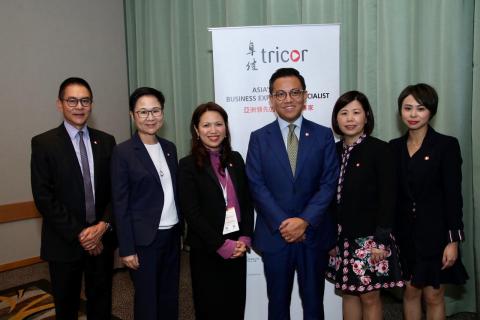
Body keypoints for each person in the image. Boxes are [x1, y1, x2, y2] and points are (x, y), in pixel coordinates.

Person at [246, 67, 338, 320]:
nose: (288, 99)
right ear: (271, 99)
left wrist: (304, 221)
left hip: (313, 234)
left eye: (294, 92)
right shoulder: (258, 138)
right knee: (277, 303)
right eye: (281, 94)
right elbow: (256, 184)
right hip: (276, 236)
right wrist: (284, 224)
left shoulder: (323, 135)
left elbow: (329, 182)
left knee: (313, 303)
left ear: (305, 96)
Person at [31, 77, 116, 319]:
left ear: (91, 104)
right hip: (65, 242)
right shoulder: (43, 143)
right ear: (59, 104)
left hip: (101, 240)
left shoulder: (106, 141)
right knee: (66, 306)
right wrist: (82, 234)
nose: (79, 106)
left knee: (102, 301)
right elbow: (44, 197)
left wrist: (103, 226)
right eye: (72, 100)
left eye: (85, 101)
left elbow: (116, 191)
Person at [390, 83, 468, 319]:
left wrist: (453, 240)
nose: (413, 115)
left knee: (434, 296)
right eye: (407, 108)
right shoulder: (393, 148)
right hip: (404, 235)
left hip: (436, 234)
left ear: (431, 111)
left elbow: (453, 195)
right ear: (400, 111)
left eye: (420, 108)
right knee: (410, 293)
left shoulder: (446, 146)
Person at [325, 91, 404, 319]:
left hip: (370, 239)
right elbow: (327, 199)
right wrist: (330, 237)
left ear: (366, 117)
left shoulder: (380, 150)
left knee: (370, 296)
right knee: (348, 293)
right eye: (344, 113)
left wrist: (381, 240)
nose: (350, 119)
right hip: (340, 239)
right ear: (336, 119)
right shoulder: (333, 151)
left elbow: (388, 198)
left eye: (356, 112)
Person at [178, 102, 254, 320]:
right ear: (196, 130)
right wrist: (221, 244)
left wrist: (245, 237)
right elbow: (191, 213)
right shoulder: (188, 165)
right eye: (206, 125)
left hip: (237, 246)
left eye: (218, 124)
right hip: (208, 248)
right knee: (210, 308)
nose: (213, 131)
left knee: (235, 306)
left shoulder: (236, 159)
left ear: (226, 127)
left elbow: (247, 202)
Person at [111, 87, 180, 320]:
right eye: (143, 112)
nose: (150, 117)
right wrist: (127, 248)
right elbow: (120, 204)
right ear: (132, 115)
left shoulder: (169, 148)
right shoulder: (123, 152)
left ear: (162, 112)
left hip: (171, 236)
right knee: (148, 300)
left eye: (155, 111)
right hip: (144, 241)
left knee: (170, 295)